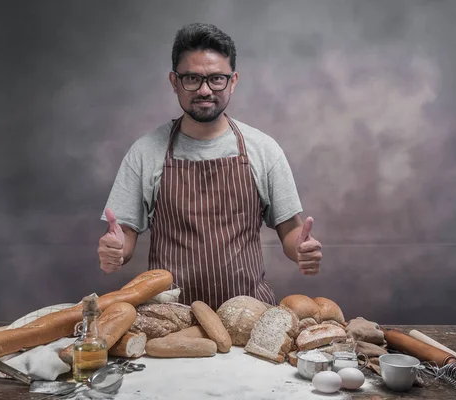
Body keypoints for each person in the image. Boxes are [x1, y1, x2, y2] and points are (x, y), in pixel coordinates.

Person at [97, 23, 322, 310]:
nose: (204, 90)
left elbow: (291, 229)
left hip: (248, 316)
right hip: (171, 318)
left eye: (216, 79)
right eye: (192, 78)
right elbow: (124, 235)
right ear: (174, 81)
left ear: (233, 80)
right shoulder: (145, 152)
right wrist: (116, 251)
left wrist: (301, 250)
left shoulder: (264, 149)